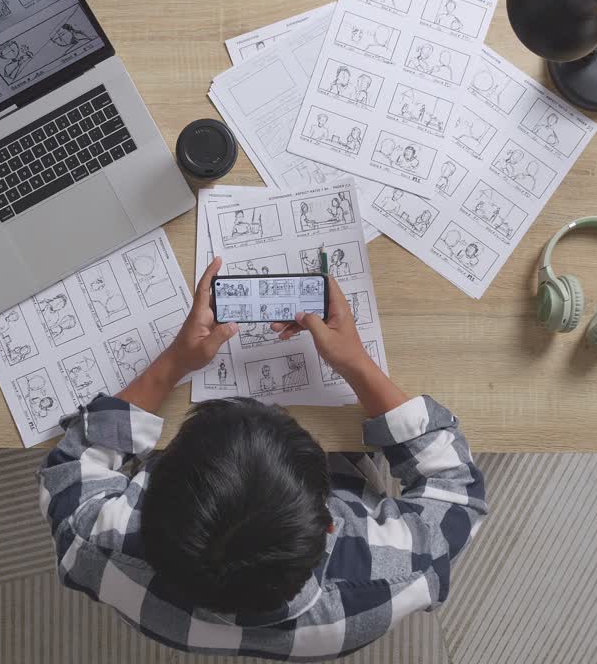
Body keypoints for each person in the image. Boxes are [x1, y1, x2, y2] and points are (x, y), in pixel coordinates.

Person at [38, 257, 486, 660]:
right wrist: (355, 363)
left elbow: (72, 466)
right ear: (330, 523)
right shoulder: (400, 573)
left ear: (146, 506)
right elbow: (458, 489)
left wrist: (174, 363)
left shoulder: (92, 543)